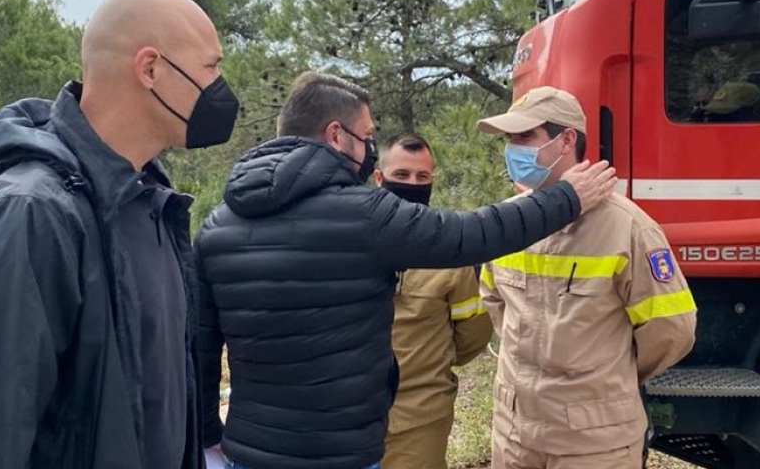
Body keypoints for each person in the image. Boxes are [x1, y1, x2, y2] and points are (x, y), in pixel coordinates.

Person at [194, 72, 616, 469]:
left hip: (249, 450)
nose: (370, 147)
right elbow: (473, 234)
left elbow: (200, 347)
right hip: (343, 452)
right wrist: (567, 199)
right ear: (337, 135)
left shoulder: (217, 226)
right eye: (368, 136)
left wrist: (208, 430)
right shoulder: (364, 216)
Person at [0, 0, 239, 469]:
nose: (221, 87)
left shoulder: (152, 207)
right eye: (211, 67)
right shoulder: (32, 214)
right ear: (150, 69)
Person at [476, 86, 698, 469]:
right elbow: (497, 305)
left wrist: (607, 375)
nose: (514, 149)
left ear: (566, 140)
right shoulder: (508, 222)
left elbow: (671, 330)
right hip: (515, 434)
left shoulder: (627, 228)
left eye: (526, 137)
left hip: (593, 442)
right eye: (511, 139)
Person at [375, 132, 494, 469]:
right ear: (378, 177)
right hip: (350, 418)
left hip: (419, 421)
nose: (413, 185)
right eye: (402, 176)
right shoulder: (351, 238)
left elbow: (472, 335)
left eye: (422, 177)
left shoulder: (449, 249)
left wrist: (428, 362)